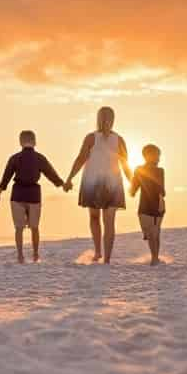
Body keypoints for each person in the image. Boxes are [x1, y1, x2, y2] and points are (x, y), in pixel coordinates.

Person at [64, 107, 132, 265]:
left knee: (94, 218)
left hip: (92, 182)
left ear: (98, 118)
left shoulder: (91, 137)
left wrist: (69, 178)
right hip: (113, 183)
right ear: (113, 119)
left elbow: (81, 158)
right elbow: (126, 165)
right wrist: (133, 183)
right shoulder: (119, 139)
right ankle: (106, 259)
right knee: (109, 222)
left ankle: (98, 252)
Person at [0, 130, 65, 263]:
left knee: (19, 228)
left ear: (20, 142)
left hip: (18, 194)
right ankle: (35, 254)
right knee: (34, 227)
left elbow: (6, 177)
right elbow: (51, 174)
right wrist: (62, 185)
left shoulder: (14, 158)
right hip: (34, 194)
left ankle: (20, 256)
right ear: (34, 142)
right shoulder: (40, 158)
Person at [130, 144, 166, 266]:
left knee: (155, 233)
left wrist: (161, 203)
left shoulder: (160, 171)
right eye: (157, 155)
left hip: (158, 204)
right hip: (144, 206)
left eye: (159, 156)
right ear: (147, 156)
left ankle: (154, 258)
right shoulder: (139, 169)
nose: (159, 158)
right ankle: (155, 258)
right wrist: (132, 190)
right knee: (149, 232)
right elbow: (134, 188)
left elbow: (162, 190)